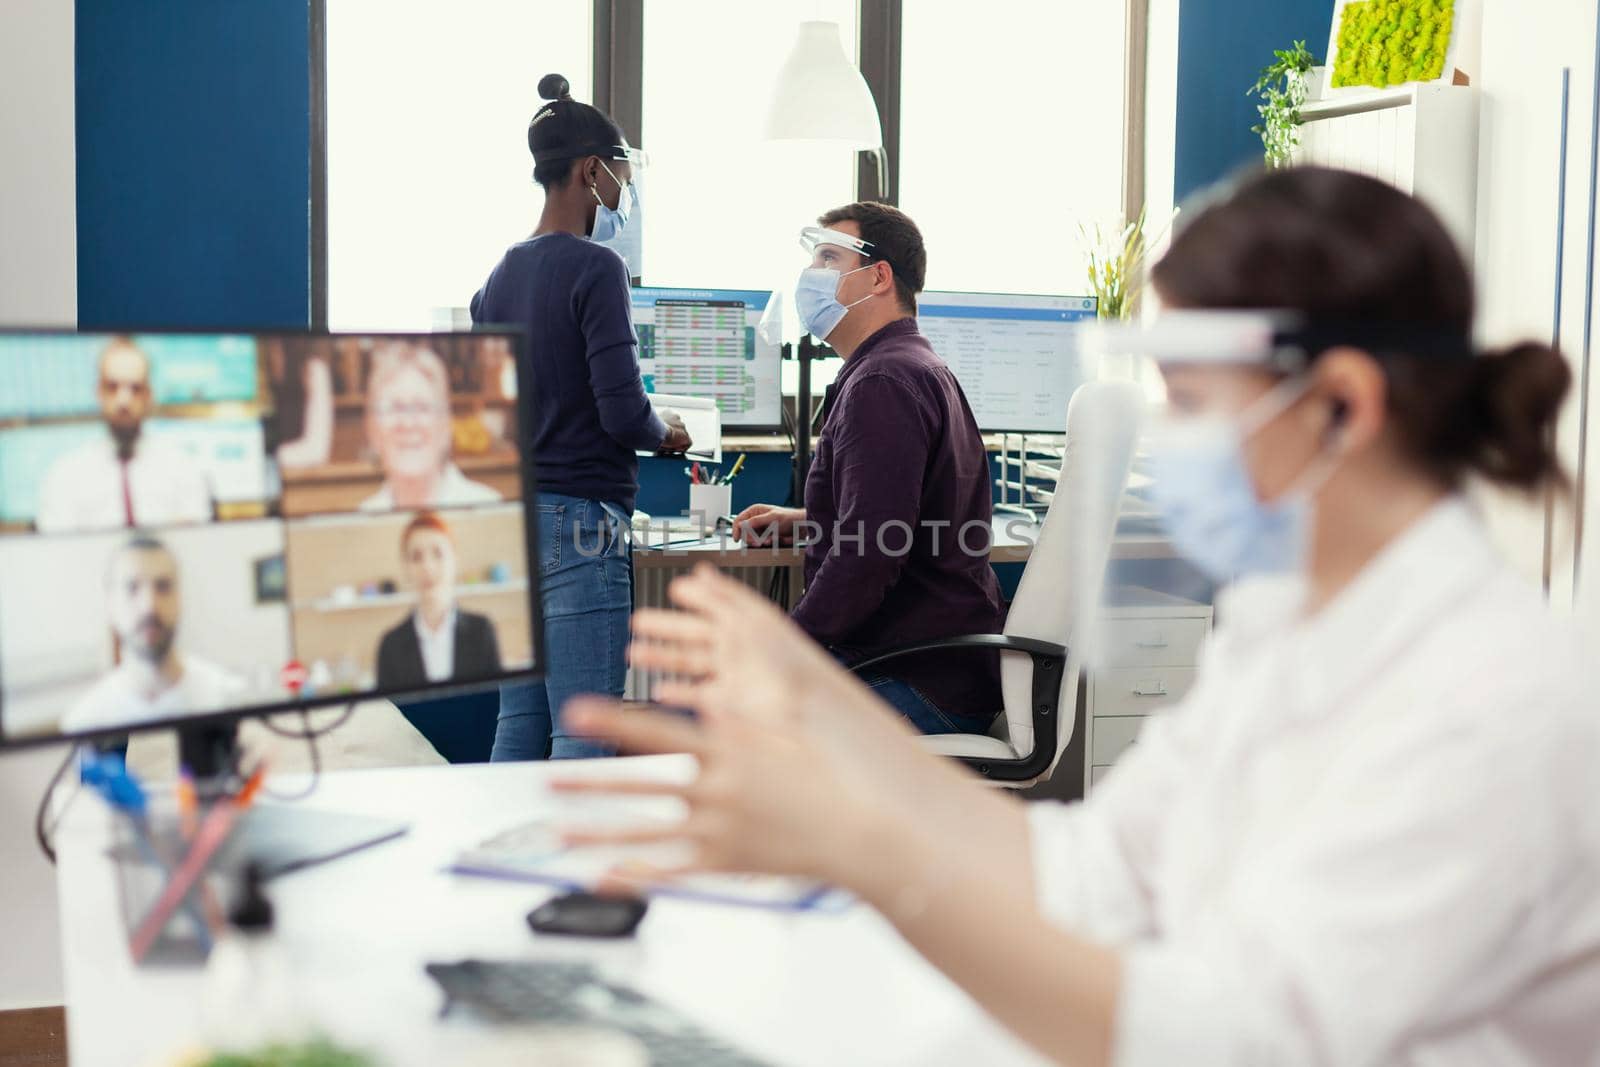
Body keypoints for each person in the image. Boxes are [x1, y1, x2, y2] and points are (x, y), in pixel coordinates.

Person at [556, 169, 1600, 1066]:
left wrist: (872, 847)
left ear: (1340, 404)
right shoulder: (1280, 624)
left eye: (1189, 401)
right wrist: (827, 718)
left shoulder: (1492, 701)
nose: (1169, 436)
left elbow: (1242, 1041)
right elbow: (1095, 869)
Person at [469, 73, 690, 761]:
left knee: (520, 724)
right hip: (581, 524)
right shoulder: (597, 268)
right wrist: (669, 434)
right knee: (583, 732)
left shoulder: (498, 277)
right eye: (621, 173)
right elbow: (622, 411)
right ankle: (574, 873)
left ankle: (510, 859)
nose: (625, 190)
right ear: (591, 171)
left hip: (512, 524)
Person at [732, 203, 1004, 735]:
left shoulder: (882, 383)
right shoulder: (910, 365)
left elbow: (869, 555)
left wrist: (785, 649)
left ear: (879, 277)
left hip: (916, 681)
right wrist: (812, 519)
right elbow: (898, 517)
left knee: (709, 721)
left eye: (829, 258)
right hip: (938, 669)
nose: (811, 276)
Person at [64, 535, 244, 734]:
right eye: (132, 588)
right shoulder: (85, 722)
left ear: (180, 598)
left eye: (163, 586)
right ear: (110, 603)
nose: (149, 606)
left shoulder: (229, 698)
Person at [36, 337, 212, 532]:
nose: (123, 401)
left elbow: (197, 549)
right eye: (112, 387)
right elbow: (56, 555)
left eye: (135, 389)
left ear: (149, 396)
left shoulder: (184, 470)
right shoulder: (64, 476)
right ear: (98, 393)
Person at [359, 342, 501, 512]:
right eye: (395, 408)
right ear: (373, 430)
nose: (408, 423)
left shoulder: (490, 509)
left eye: (422, 407)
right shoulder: (363, 518)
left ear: (445, 426)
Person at [375, 511, 503, 691]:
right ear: (406, 567)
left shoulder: (482, 631)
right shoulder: (390, 645)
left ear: (454, 560)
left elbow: (496, 702)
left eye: (438, 553)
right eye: (416, 557)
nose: (427, 567)